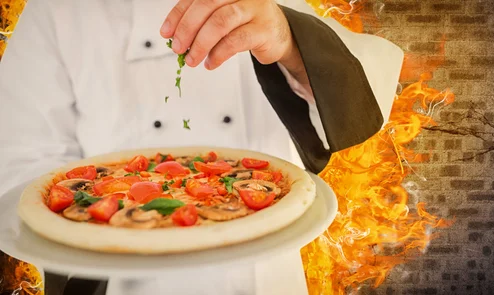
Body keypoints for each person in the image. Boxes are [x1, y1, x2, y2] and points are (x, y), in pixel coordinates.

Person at [0, 0, 404, 294]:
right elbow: (20, 162)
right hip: (114, 280)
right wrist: (106, 209)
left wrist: (290, 41)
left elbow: (359, 95)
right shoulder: (55, 11)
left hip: (262, 276)